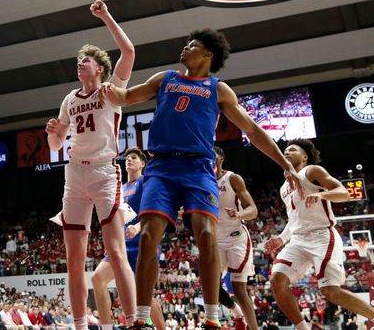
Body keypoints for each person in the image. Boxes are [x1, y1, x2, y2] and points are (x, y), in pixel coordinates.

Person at [98, 28, 301, 330]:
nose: (184, 48)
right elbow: (127, 97)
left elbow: (253, 131)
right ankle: (140, 320)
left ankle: (212, 318)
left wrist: (284, 162)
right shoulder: (165, 78)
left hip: (198, 169)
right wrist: (109, 91)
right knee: (147, 236)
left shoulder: (218, 89)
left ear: (208, 55)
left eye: (192, 45)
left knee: (206, 233)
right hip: (161, 168)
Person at [45, 0, 137, 330]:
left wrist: (105, 16)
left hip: (103, 171)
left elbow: (129, 52)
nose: (79, 64)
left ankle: (133, 322)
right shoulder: (70, 99)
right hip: (74, 174)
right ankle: (80, 324)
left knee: (115, 251)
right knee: (74, 260)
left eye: (85, 61)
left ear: (99, 68)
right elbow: (57, 146)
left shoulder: (112, 90)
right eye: (78, 61)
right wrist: (53, 135)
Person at [265, 139, 374, 330]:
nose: (286, 153)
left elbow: (343, 192)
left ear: (304, 156)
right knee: (277, 280)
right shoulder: (284, 187)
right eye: (285, 150)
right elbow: (294, 219)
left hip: (322, 236)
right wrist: (280, 239)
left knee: (330, 291)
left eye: (292, 150)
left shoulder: (312, 171)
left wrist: (321, 195)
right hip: (297, 240)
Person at [91, 148, 165, 330]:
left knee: (144, 296)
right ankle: (106, 327)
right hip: (121, 245)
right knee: (97, 278)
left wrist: (138, 227)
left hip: (143, 242)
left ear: (142, 164)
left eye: (134, 158)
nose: (129, 160)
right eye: (127, 158)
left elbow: (153, 210)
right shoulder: (121, 188)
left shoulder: (145, 182)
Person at [214, 147, 258, 330]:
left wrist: (239, 213)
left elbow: (253, 210)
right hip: (215, 240)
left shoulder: (232, 178)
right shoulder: (200, 180)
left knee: (239, 289)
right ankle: (237, 313)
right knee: (210, 286)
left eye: (213, 154)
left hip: (236, 238)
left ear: (221, 158)